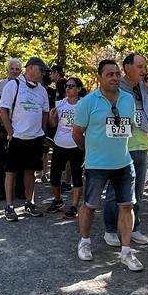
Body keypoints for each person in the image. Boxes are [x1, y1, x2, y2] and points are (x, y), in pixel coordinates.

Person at [72, 59, 143, 272]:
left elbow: (129, 126)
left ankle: (126, 251)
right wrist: (91, 153)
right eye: (109, 74)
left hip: (123, 162)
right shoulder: (87, 102)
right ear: (99, 77)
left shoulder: (128, 100)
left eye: (116, 73)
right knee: (90, 206)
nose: (114, 77)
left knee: (127, 206)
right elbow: (77, 134)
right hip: (96, 165)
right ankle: (84, 241)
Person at [103, 53, 148, 248]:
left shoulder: (145, 88)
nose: (144, 70)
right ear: (127, 67)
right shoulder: (116, 86)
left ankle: (134, 227)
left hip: (141, 145)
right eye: (139, 67)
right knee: (115, 191)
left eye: (144, 67)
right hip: (121, 146)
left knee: (138, 191)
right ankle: (111, 230)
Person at [0, 57, 51, 221]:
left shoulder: (42, 90)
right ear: (30, 68)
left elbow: (45, 112)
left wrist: (42, 131)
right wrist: (10, 132)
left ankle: (30, 203)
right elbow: (2, 109)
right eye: (40, 70)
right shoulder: (13, 85)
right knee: (11, 172)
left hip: (35, 138)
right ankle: (9, 206)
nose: (43, 73)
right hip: (17, 137)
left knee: (31, 172)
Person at [47, 77, 85, 217]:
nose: (68, 88)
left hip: (76, 145)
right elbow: (52, 125)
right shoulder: (60, 104)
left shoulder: (83, 105)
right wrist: (52, 117)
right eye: (66, 86)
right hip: (59, 144)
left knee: (76, 177)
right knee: (54, 177)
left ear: (79, 89)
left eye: (71, 86)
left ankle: (74, 206)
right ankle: (58, 201)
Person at [0, 58, 23, 202]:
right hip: (2, 128)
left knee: (20, 160)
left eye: (17, 69)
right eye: (12, 69)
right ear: (7, 70)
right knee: (1, 159)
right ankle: (0, 189)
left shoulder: (25, 85)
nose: (15, 71)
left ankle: (20, 189)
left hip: (21, 127)